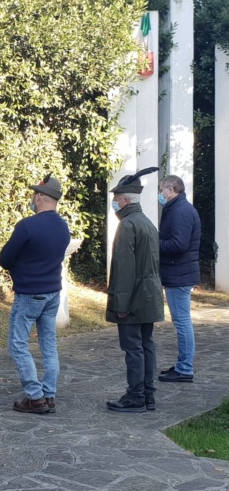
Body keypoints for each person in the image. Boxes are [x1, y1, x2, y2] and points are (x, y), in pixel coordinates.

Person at [0, 174, 70, 414]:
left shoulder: (27, 226)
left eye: (33, 195)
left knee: (18, 344)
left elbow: (5, 259)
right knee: (49, 344)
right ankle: (49, 394)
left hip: (29, 293)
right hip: (53, 292)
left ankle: (35, 396)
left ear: (40, 197)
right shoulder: (63, 226)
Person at [106, 168, 164, 413]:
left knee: (133, 348)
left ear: (125, 200)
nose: (114, 203)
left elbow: (123, 269)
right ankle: (147, 394)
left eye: (116, 199)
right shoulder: (147, 223)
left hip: (133, 298)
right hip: (149, 295)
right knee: (146, 344)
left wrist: (120, 305)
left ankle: (135, 396)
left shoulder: (128, 225)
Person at [157, 175, 201, 383]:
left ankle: (185, 368)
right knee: (182, 321)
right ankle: (183, 365)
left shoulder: (181, 211)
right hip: (179, 272)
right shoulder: (178, 208)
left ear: (171, 189)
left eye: (161, 190)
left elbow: (179, 244)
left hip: (179, 274)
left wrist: (155, 243)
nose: (160, 194)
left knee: (182, 322)